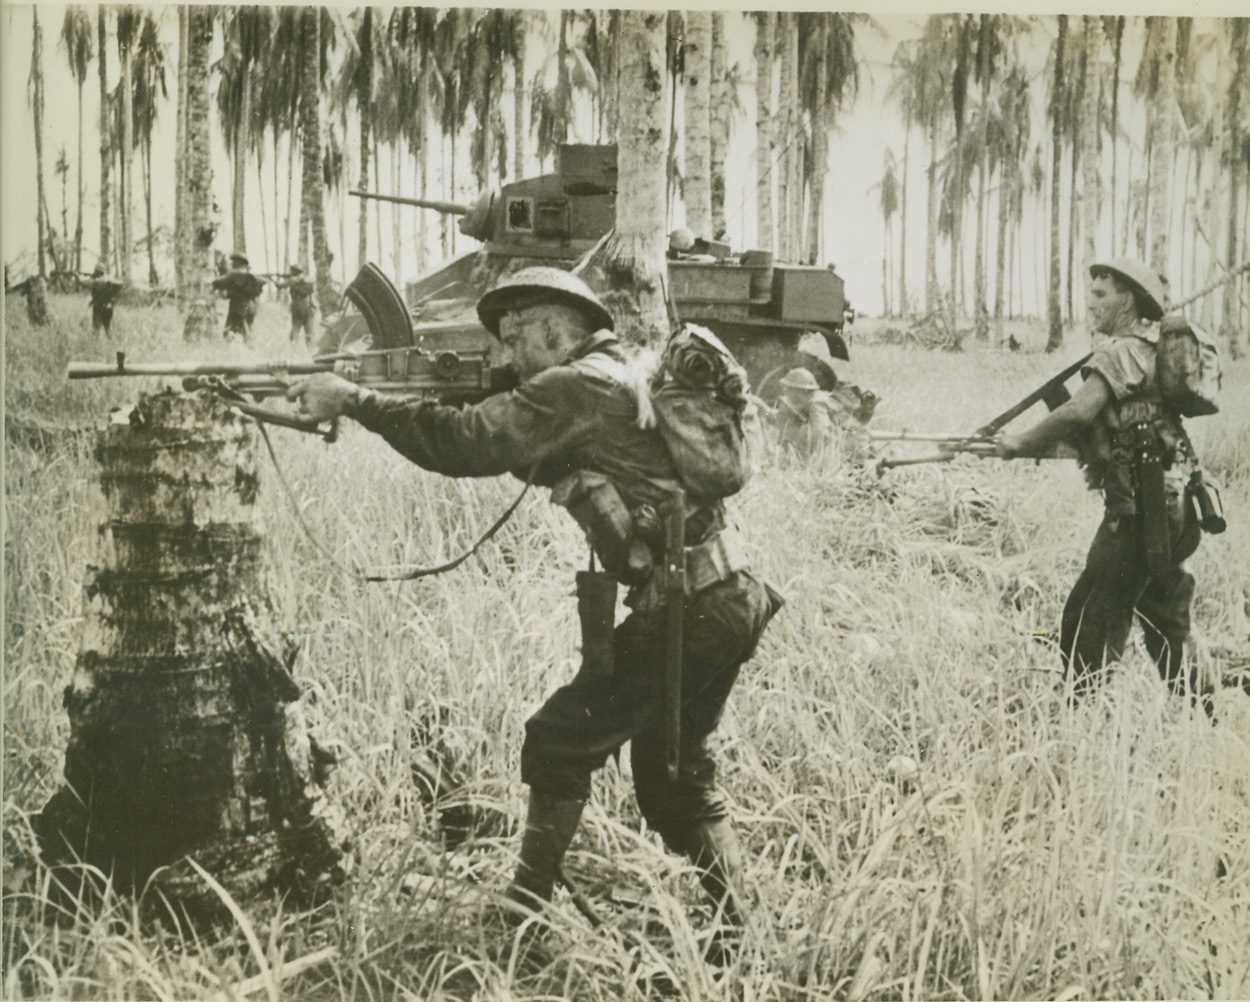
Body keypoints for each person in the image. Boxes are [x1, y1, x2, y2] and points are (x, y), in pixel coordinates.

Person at [287, 267, 782, 957]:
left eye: (518, 338)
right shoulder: (614, 374)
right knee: (674, 780)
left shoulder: (576, 386)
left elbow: (465, 442)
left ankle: (520, 920)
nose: (506, 357)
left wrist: (356, 400)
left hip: (690, 609)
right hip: (725, 598)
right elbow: (535, 456)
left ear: (559, 326)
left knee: (556, 741)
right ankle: (752, 932)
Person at [996, 257, 1205, 702]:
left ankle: (1078, 712)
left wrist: (1018, 442)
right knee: (1168, 616)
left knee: (1093, 612)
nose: (1091, 304)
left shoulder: (1119, 351)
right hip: (1177, 505)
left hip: (1140, 512)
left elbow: (1078, 411)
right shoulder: (1152, 350)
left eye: (1101, 294)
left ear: (1127, 298)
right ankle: (1203, 707)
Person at [212, 252, 263, 342]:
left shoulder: (234, 274)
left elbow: (217, 283)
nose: (232, 263)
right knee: (247, 330)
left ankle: (248, 349)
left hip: (238, 307)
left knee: (228, 331)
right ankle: (249, 350)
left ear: (240, 262)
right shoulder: (250, 276)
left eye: (234, 261)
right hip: (251, 306)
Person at [274, 265, 316, 345]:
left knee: (295, 327)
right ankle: (309, 350)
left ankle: (293, 347)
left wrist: (274, 281)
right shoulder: (307, 280)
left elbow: (280, 286)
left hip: (297, 306)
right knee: (309, 330)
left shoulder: (292, 281)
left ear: (294, 272)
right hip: (307, 306)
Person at [86, 265, 122, 337]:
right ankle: (110, 342)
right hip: (108, 306)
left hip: (98, 306)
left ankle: (96, 344)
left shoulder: (96, 282)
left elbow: (93, 293)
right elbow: (119, 286)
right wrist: (113, 301)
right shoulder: (111, 281)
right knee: (107, 328)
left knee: (96, 328)